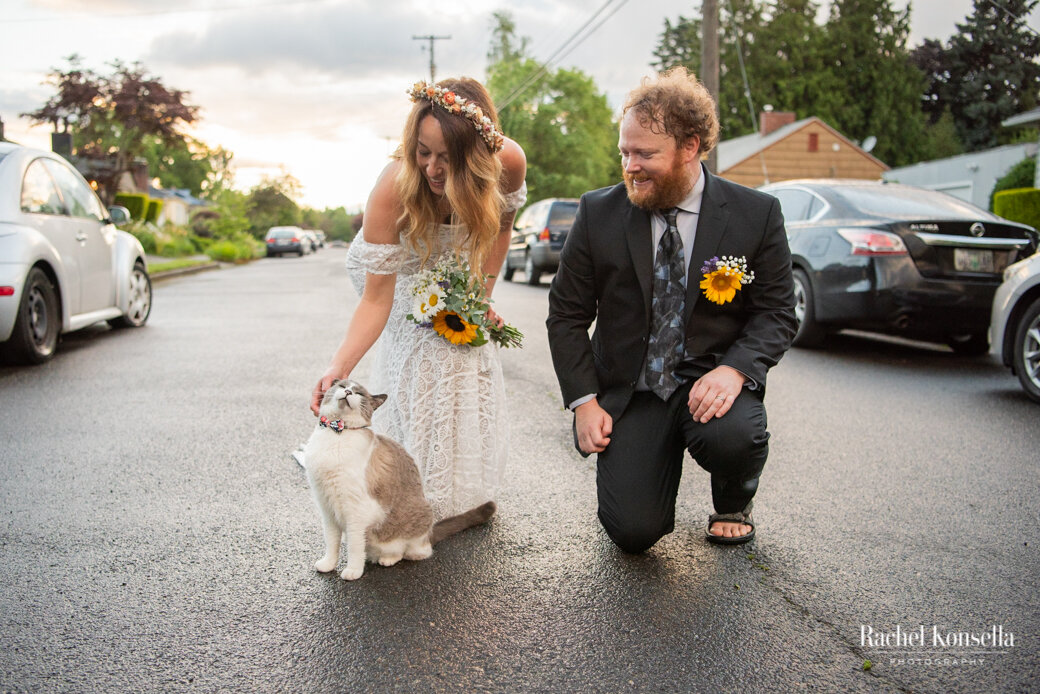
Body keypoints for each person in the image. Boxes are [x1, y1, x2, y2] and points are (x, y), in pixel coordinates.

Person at [546, 67, 797, 553]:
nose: (630, 166)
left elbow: (777, 313)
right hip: (634, 390)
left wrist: (735, 372)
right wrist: (584, 401)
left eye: (645, 154)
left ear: (690, 147)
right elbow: (566, 316)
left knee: (735, 438)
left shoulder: (755, 214)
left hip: (710, 380)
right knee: (633, 532)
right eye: (624, 152)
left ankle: (733, 499)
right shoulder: (599, 212)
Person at [310, 77, 527, 521]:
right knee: (426, 355)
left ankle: (453, 492)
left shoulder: (510, 162)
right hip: (398, 271)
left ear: (478, 156)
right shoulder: (394, 186)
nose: (431, 168)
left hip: (455, 268)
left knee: (466, 349)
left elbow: (501, 230)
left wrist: (479, 297)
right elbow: (376, 300)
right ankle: (403, 492)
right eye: (422, 152)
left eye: (447, 158)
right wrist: (339, 367)